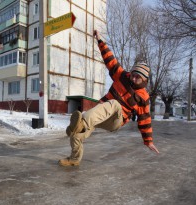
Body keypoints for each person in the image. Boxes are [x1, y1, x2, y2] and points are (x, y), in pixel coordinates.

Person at [59, 30, 159, 167]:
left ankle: (82, 122)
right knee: (77, 133)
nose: (134, 78)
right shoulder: (122, 75)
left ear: (144, 80)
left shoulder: (143, 97)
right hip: (101, 114)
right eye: (133, 75)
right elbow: (109, 59)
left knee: (114, 104)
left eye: (138, 77)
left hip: (116, 121)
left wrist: (148, 141)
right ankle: (74, 158)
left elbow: (145, 120)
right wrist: (100, 40)